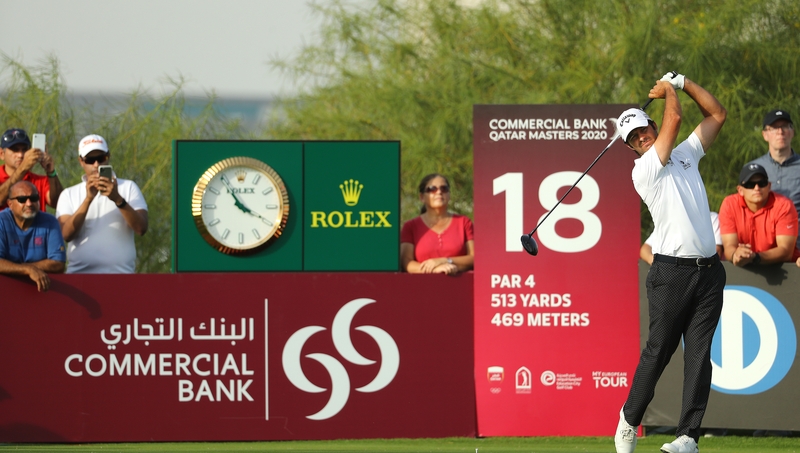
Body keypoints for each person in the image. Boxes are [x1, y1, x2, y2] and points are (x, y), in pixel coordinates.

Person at [613, 72, 727, 453]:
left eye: (643, 130)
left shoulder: (685, 154)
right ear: (631, 147)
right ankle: (629, 419)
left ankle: (688, 437)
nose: (642, 138)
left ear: (649, 125)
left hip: (709, 272)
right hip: (671, 272)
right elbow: (674, 120)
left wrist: (686, 83)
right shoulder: (643, 170)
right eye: (634, 139)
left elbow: (717, 115)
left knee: (699, 354)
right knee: (659, 350)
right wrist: (667, 93)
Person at [56, 134, 148, 273]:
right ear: (81, 161)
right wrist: (88, 200)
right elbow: (66, 234)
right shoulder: (69, 194)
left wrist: (117, 199)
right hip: (79, 275)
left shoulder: (128, 187)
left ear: (108, 157)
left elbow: (141, 228)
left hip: (121, 275)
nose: (96, 165)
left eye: (101, 158)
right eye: (90, 160)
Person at [718, 163, 799, 267]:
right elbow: (729, 246)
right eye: (750, 185)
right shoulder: (729, 204)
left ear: (769, 186)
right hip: (742, 270)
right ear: (740, 190)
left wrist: (755, 257)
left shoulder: (784, 205)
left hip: (782, 271)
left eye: (762, 183)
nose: (757, 188)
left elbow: (786, 251)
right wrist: (736, 255)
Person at [400, 174, 474, 275]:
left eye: (444, 188)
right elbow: (406, 262)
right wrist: (434, 270)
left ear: (449, 194)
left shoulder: (464, 222)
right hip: (421, 287)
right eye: (432, 189)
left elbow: (474, 258)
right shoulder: (410, 226)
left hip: (460, 286)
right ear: (422, 197)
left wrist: (445, 260)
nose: (439, 192)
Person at [0, 181, 66, 291]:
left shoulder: (50, 222)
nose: (29, 203)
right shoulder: (1, 221)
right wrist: (27, 269)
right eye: (22, 199)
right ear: (10, 204)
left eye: (34, 198)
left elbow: (58, 264)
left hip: (41, 291)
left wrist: (23, 268)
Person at [0, 128, 63, 211]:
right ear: (1, 154)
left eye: (25, 149)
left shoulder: (41, 181)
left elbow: (59, 204)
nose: (20, 155)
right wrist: (23, 168)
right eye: (15, 150)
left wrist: (51, 172)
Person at [640, 212, 724, 264]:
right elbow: (645, 249)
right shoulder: (670, 221)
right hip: (672, 274)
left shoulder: (711, 218)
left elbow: (716, 252)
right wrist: (655, 261)